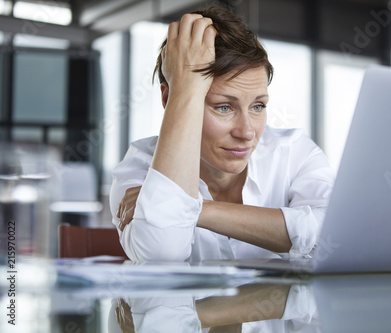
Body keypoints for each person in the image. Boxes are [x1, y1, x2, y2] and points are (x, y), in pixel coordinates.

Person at [109, 5, 334, 262]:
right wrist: (184, 91)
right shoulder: (140, 166)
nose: (247, 132)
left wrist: (194, 210)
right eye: (224, 107)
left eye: (258, 106)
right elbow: (162, 252)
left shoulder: (294, 153)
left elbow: (332, 237)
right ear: (168, 97)